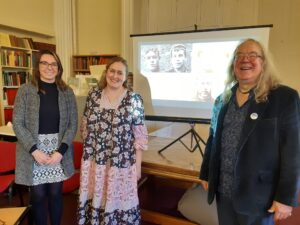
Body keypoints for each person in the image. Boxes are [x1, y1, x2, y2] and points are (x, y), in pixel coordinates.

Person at [199, 38, 300, 225]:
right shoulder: (223, 99)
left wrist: (286, 198)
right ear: (233, 65)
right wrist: (206, 173)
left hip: (260, 197)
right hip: (224, 191)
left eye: (253, 55)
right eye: (240, 56)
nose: (246, 60)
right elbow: (213, 137)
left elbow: (294, 151)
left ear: (264, 64)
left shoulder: (284, 98)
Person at [78, 56, 148, 225]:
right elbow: (85, 128)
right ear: (106, 73)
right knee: (97, 197)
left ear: (125, 77)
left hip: (121, 163)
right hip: (96, 162)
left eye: (120, 73)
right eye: (112, 71)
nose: (115, 76)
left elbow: (139, 135)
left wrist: (138, 166)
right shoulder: (93, 96)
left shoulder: (134, 99)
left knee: (118, 202)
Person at [13, 49, 78, 225]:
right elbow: (17, 123)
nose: (49, 67)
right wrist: (34, 150)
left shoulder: (67, 92)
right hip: (33, 150)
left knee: (56, 194)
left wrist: (61, 152)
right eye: (45, 63)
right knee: (38, 196)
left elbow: (73, 124)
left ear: (58, 67)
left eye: (53, 64)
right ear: (38, 66)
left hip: (58, 150)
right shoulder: (25, 90)